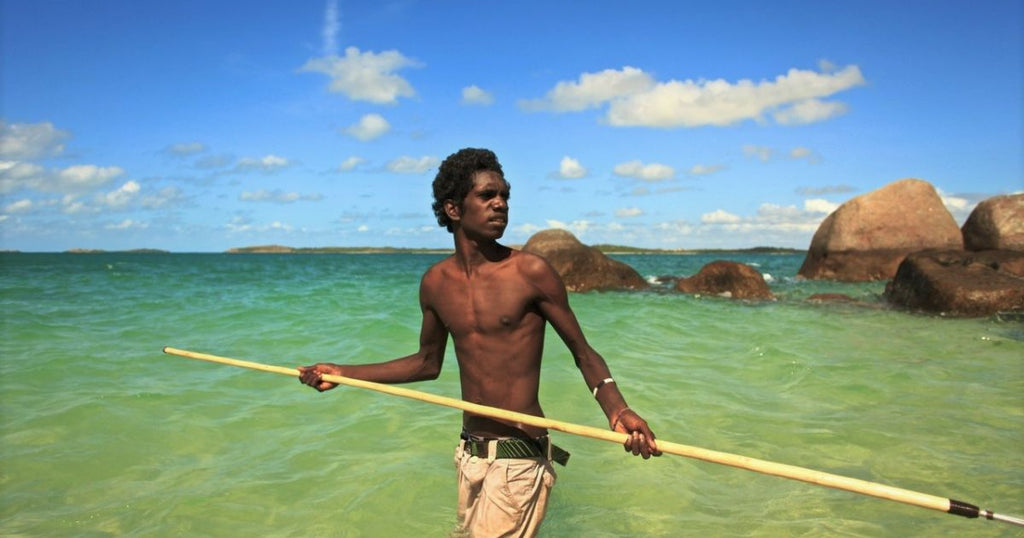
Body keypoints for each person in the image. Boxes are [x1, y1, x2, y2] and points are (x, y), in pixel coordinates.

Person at [298, 148, 660, 537]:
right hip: (469, 456)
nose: (500, 204)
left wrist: (617, 409)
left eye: (504, 195)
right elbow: (426, 363)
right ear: (454, 209)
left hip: (519, 458)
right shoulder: (436, 283)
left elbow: (583, 353)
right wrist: (344, 373)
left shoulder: (530, 272)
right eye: (487, 196)